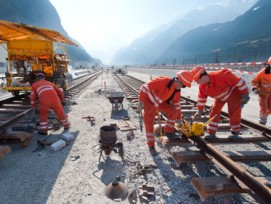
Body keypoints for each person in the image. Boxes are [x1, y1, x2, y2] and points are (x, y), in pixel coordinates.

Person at [138, 70, 193, 153]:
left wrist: (179, 118)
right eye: (183, 85)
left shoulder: (176, 91)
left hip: (160, 102)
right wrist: (141, 101)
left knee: (174, 112)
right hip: (149, 102)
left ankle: (168, 131)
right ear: (178, 80)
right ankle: (151, 145)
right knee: (149, 122)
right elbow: (144, 87)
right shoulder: (163, 81)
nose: (182, 87)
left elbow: (177, 106)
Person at [191, 66, 250, 140]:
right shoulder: (202, 86)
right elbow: (201, 98)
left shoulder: (222, 75)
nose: (197, 83)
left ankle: (235, 133)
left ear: (202, 77)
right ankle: (211, 132)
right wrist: (199, 111)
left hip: (233, 94)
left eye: (197, 80)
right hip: (219, 98)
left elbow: (240, 82)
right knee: (214, 111)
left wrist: (245, 94)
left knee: (234, 112)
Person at [251, 56, 271, 125]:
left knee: (269, 110)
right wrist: (255, 88)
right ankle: (262, 124)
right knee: (264, 110)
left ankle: (263, 118)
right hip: (263, 94)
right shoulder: (262, 73)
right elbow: (254, 82)